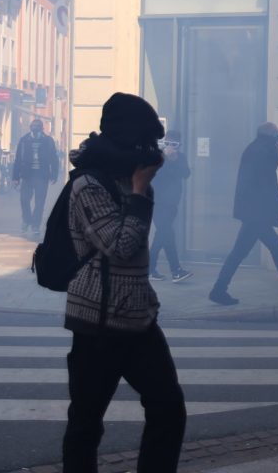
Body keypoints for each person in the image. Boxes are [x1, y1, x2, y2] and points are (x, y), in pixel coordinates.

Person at [61, 92, 186, 472]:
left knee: (169, 410)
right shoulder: (89, 183)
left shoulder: (129, 178)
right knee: (86, 422)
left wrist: (141, 187)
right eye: (145, 141)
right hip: (97, 322)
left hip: (135, 318)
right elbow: (121, 245)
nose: (150, 151)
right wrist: (139, 190)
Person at [209, 123, 278, 305]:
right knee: (243, 252)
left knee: (270, 245)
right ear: (272, 136)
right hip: (256, 212)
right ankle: (218, 290)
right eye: (277, 134)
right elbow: (270, 185)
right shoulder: (264, 152)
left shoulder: (256, 148)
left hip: (253, 211)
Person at [149, 131, 192, 282]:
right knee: (167, 235)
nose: (170, 147)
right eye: (167, 144)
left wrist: (174, 161)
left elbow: (186, 174)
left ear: (179, 145)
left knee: (163, 235)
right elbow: (156, 176)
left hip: (172, 203)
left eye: (174, 144)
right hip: (158, 203)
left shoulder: (181, 157)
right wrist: (167, 160)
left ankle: (150, 269)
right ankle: (176, 270)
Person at [13, 119, 60, 234]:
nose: (35, 127)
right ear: (30, 127)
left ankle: (35, 225)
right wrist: (15, 177)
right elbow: (18, 159)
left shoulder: (48, 141)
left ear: (42, 128)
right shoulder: (24, 140)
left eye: (37, 126)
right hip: (27, 176)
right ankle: (27, 220)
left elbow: (54, 158)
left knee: (40, 202)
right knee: (24, 200)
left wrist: (54, 174)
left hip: (42, 175)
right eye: (33, 125)